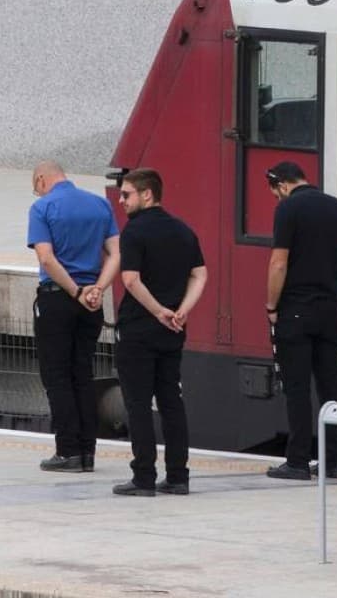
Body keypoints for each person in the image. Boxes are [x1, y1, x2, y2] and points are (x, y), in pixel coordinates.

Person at [112, 168, 206, 497]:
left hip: (139, 329)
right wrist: (181, 310)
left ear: (146, 194)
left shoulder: (134, 232)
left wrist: (157, 311)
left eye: (127, 194)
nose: (122, 201)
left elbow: (130, 280)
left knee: (137, 404)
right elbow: (200, 274)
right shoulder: (183, 230)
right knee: (171, 402)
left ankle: (144, 477)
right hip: (173, 332)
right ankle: (179, 476)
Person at [264, 161, 337, 481]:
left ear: (282, 185)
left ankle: (298, 461)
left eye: (276, 193)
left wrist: (271, 305)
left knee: (297, 387)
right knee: (330, 385)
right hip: (329, 311)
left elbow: (278, 264)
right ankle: (332, 462)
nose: (277, 198)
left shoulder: (288, 210)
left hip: (295, 310)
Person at [27, 160, 120, 473]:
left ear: (42, 180)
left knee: (57, 376)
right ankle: (88, 452)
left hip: (57, 299)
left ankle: (68, 451)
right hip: (91, 303)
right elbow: (117, 254)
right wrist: (97, 289)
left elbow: (46, 258)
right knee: (82, 373)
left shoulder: (42, 208)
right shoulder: (99, 205)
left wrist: (75, 291)